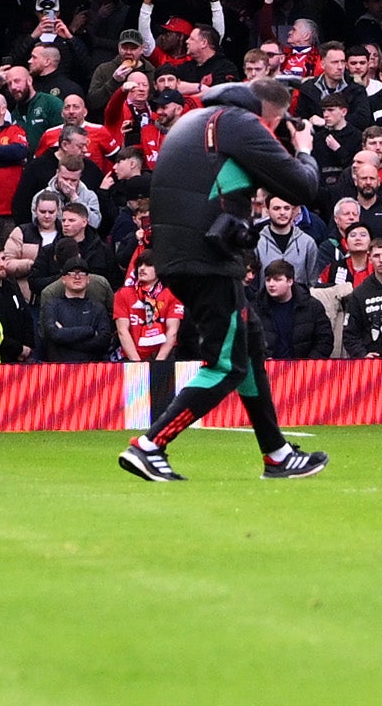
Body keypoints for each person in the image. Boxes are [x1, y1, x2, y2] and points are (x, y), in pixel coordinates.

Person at [120, 75, 326, 484]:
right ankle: (150, 445)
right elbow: (303, 187)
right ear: (272, 113)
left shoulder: (199, 118)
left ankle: (277, 454)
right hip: (208, 259)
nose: (277, 129)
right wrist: (303, 149)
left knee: (248, 352)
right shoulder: (241, 124)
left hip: (181, 255)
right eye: (278, 121)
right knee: (227, 364)